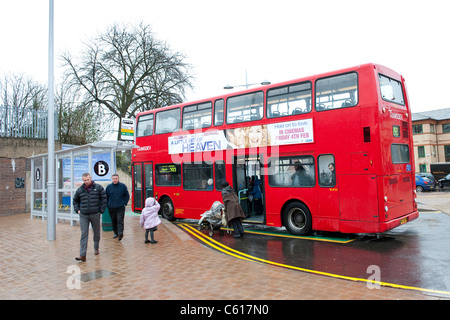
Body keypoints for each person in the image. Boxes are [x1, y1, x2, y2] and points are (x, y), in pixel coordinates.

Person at [73, 172, 107, 262]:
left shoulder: (98, 188)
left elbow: (104, 199)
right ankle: (82, 255)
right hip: (83, 214)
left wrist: (101, 210)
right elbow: (75, 200)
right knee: (84, 234)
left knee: (96, 232)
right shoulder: (80, 190)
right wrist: (77, 210)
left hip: (95, 213)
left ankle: (96, 247)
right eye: (84, 180)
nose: (86, 182)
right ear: (82, 180)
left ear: (90, 178)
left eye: (88, 180)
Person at [106, 173, 130, 241]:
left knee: (120, 220)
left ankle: (120, 233)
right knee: (114, 220)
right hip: (111, 207)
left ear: (118, 179)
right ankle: (116, 233)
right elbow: (106, 197)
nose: (115, 180)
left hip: (120, 207)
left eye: (116, 179)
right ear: (112, 179)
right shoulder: (109, 187)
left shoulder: (123, 186)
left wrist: (124, 203)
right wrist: (108, 204)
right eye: (113, 179)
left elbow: (127, 196)